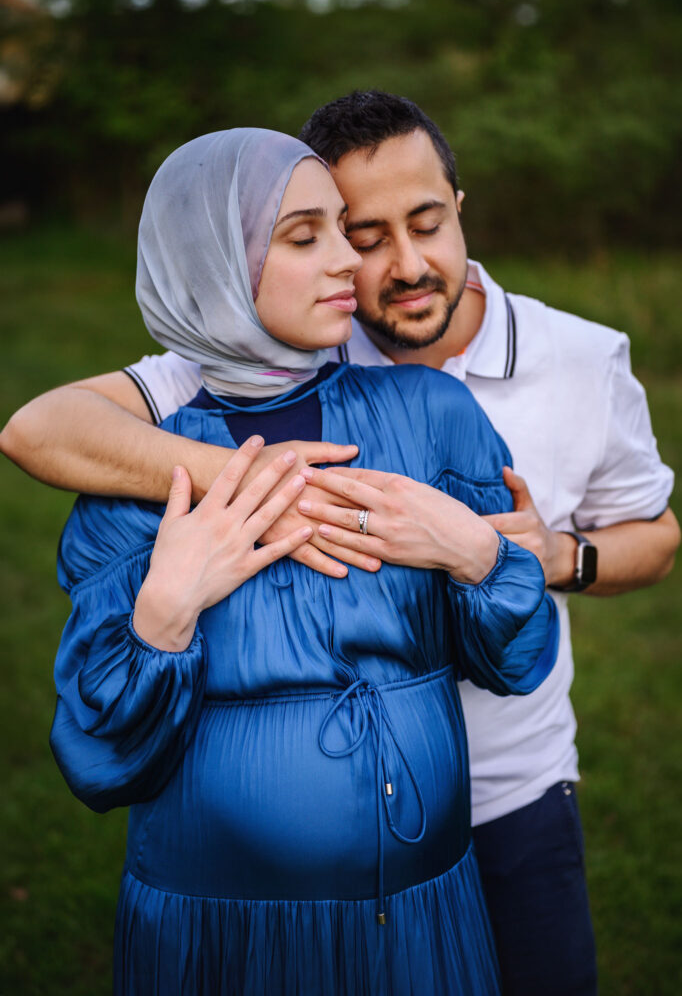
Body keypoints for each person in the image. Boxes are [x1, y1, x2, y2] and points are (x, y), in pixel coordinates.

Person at [1, 93, 678, 994]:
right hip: (220, 921)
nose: (377, 266)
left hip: (500, 802)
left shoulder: (531, 375)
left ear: (460, 206)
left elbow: (629, 556)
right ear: (219, 269)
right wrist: (207, 529)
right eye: (336, 235)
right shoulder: (172, 420)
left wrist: (514, 555)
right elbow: (42, 431)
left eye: (425, 223)